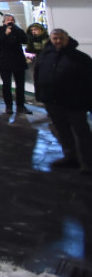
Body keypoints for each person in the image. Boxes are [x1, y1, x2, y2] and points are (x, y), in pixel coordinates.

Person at [34, 29, 92, 173]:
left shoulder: (79, 58)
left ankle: (88, 163)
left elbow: (88, 81)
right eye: (55, 38)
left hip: (75, 103)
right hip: (53, 103)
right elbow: (38, 76)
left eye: (61, 38)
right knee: (63, 131)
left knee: (82, 134)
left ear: (67, 39)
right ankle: (70, 157)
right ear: (51, 39)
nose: (58, 41)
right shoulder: (45, 56)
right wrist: (41, 96)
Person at [0, 13, 31, 114]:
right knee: (6, 84)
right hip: (4, 60)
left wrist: (16, 29)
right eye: (8, 20)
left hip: (18, 60)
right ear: (4, 21)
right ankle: (8, 106)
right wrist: (6, 33)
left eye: (12, 20)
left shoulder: (18, 30)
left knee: (20, 84)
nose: (10, 21)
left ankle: (21, 105)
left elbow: (25, 40)